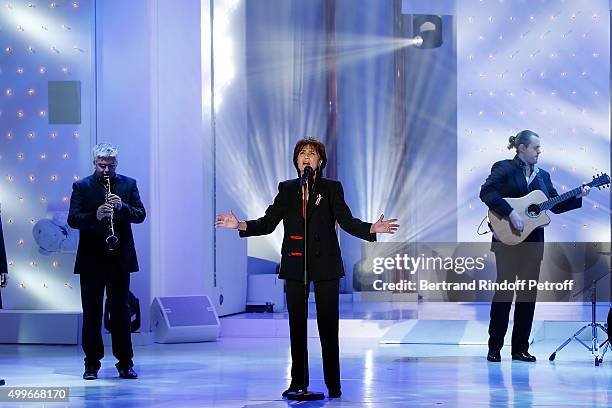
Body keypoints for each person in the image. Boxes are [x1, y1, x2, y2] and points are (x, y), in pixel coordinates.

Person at [216, 137, 399, 398]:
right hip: (295, 262)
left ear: (320, 161)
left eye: (312, 153)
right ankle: (298, 382)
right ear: (296, 161)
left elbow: (346, 221)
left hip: (326, 264)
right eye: (302, 153)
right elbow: (268, 223)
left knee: (328, 326)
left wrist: (371, 228)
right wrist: (240, 225)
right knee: (297, 327)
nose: (306, 156)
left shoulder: (331, 188)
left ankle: (333, 385)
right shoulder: (287, 188)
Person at [480, 130, 589, 362]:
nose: (539, 151)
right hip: (507, 241)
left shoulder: (543, 176)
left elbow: (555, 205)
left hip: (533, 245)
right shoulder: (504, 167)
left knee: (527, 296)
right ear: (522, 148)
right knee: (504, 294)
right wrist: (510, 213)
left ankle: (520, 348)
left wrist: (579, 194)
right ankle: (494, 347)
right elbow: (486, 192)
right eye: (535, 147)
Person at [68, 143, 146, 380]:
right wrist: (96, 216)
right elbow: (73, 219)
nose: (106, 170)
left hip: (119, 258)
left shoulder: (128, 184)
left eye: (110, 165)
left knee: (121, 312)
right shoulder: (82, 186)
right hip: (91, 259)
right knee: (91, 312)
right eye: (102, 165)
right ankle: (91, 363)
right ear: (94, 163)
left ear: (116, 164)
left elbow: (140, 214)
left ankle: (125, 363)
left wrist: (122, 207)